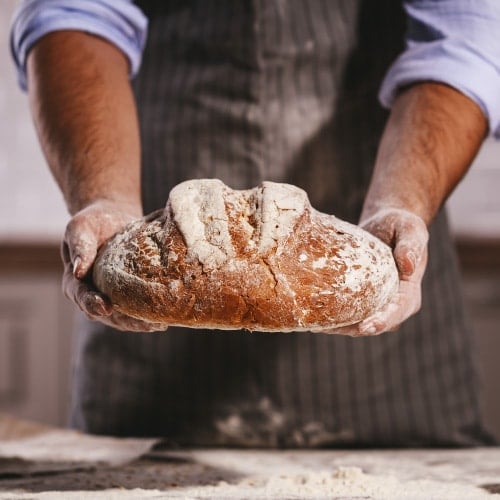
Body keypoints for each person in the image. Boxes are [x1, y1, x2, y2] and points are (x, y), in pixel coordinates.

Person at [10, 0, 500, 446]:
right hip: (153, 282)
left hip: (386, 336)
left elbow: (464, 40)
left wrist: (401, 202)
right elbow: (75, 12)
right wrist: (105, 197)